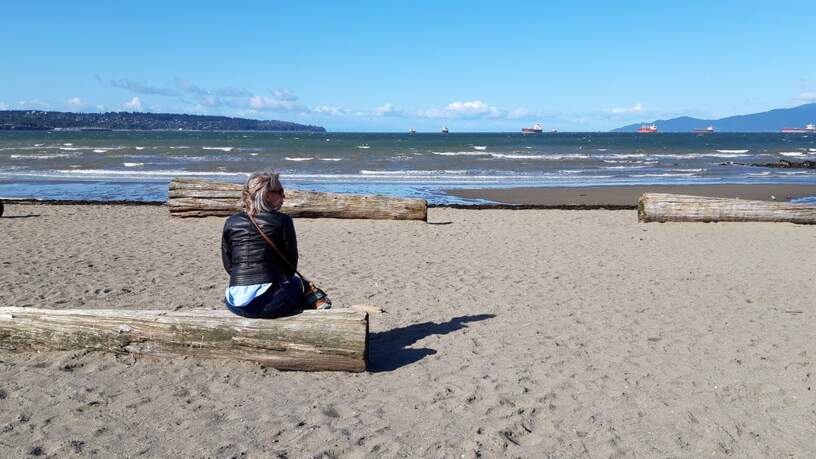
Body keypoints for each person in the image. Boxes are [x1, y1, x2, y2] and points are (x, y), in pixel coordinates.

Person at [221, 172, 303, 318]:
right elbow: (291, 265)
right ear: (267, 196)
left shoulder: (231, 222)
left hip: (235, 302)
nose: (284, 197)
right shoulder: (283, 221)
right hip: (270, 304)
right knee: (297, 284)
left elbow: (229, 265)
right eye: (280, 192)